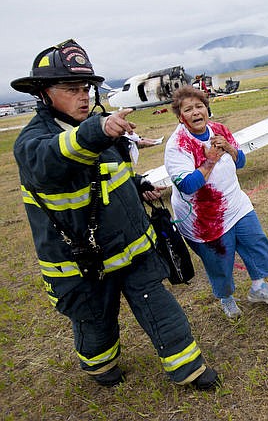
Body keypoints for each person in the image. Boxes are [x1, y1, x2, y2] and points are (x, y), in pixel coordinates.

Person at [11, 39, 219, 390]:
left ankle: (190, 370)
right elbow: (52, 161)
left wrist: (136, 184)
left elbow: (106, 175)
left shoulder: (96, 128)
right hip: (83, 264)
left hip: (130, 248)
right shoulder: (34, 142)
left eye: (86, 89)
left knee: (160, 306)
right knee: (95, 320)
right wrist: (98, 131)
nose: (82, 96)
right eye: (71, 89)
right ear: (44, 94)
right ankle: (99, 367)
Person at [164, 86, 268, 319]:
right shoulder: (178, 145)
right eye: (188, 109)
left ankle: (259, 286)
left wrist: (229, 148)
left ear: (207, 109)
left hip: (236, 203)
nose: (196, 112)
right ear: (181, 116)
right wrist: (209, 162)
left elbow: (241, 162)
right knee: (219, 262)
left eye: (199, 106)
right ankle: (226, 297)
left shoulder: (219, 130)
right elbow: (187, 185)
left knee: (255, 242)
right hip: (204, 218)